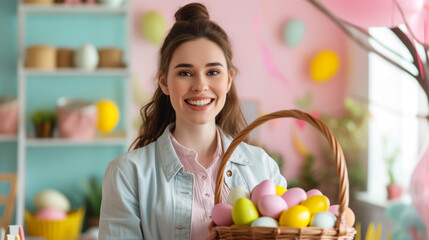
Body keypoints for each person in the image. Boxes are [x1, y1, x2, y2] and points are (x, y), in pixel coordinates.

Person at [99, 2, 287, 240]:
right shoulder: (127, 175)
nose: (200, 85)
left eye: (213, 72)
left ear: (228, 80)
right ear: (164, 82)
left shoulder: (263, 167)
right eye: (185, 73)